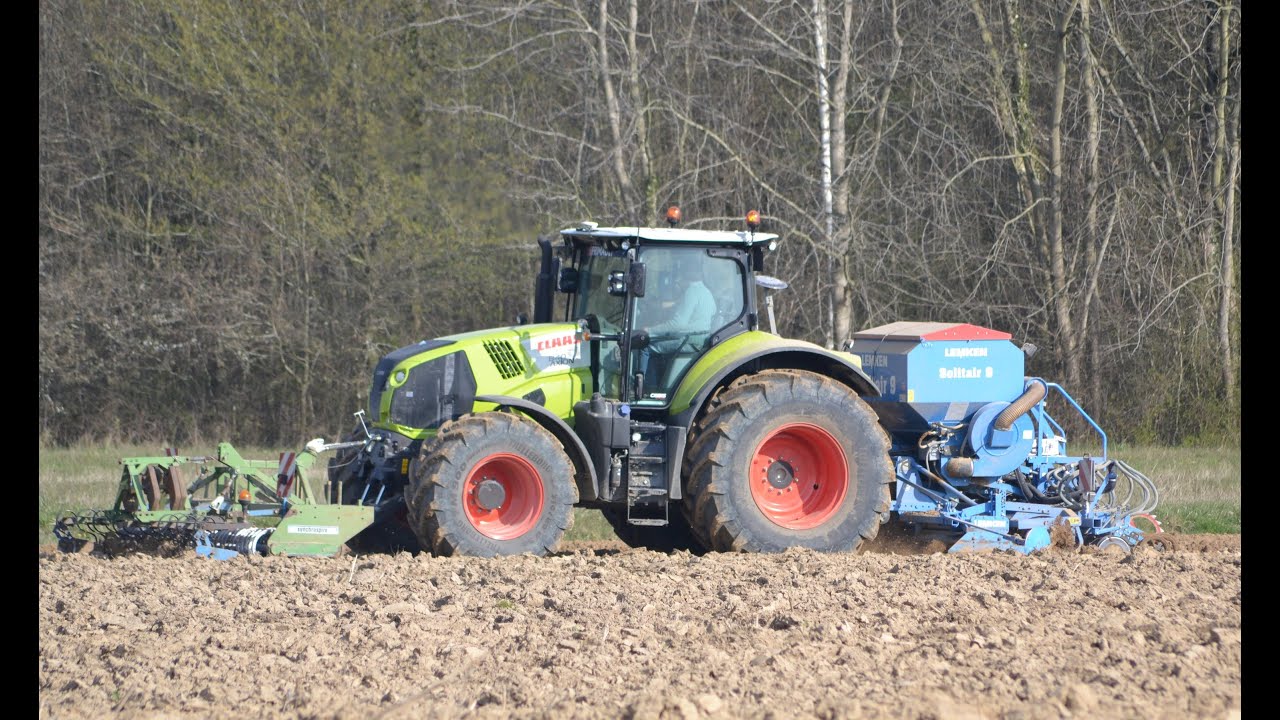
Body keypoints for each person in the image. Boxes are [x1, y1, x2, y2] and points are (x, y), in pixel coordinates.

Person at [635, 263, 716, 389]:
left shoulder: (691, 291)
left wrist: (649, 330)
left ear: (683, 277)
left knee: (645, 345)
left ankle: (645, 389)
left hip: (688, 341)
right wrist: (662, 306)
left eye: (678, 279)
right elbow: (688, 308)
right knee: (660, 342)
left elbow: (678, 324)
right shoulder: (706, 292)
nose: (677, 283)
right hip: (700, 339)